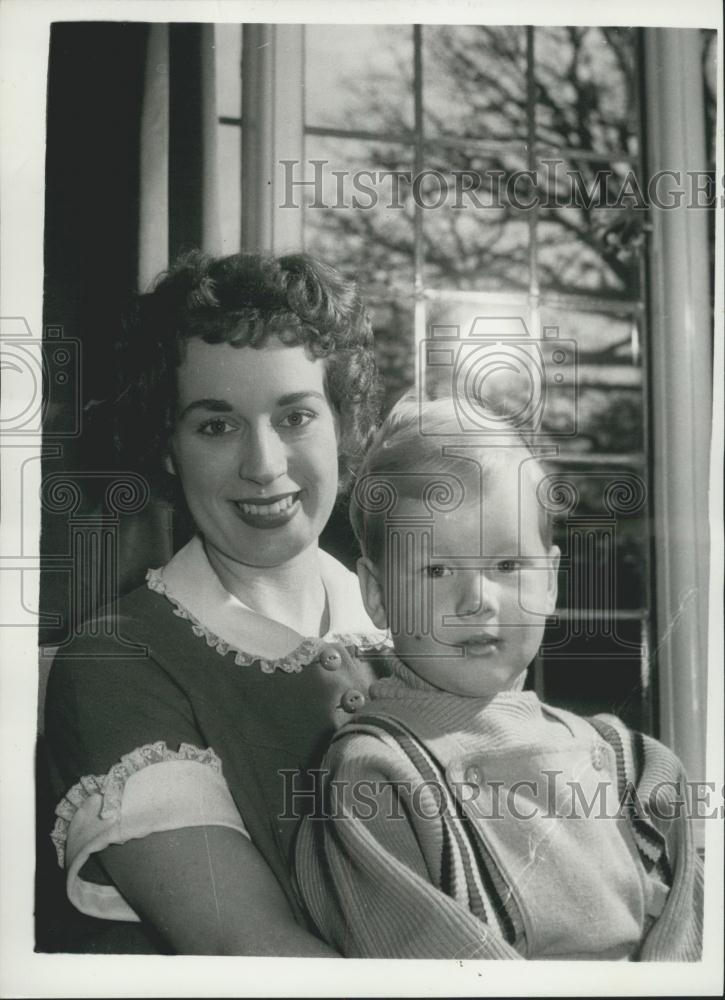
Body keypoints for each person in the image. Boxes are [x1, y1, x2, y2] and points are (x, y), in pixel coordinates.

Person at [43, 251, 392, 955]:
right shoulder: (118, 662)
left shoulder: (421, 623)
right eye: (215, 425)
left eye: (294, 416)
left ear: (342, 427)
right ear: (167, 448)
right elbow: (252, 949)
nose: (263, 465)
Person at [295, 397, 704, 960]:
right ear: (377, 594)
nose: (477, 601)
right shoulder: (377, 775)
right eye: (437, 569)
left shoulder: (636, 767)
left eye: (508, 566)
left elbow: (690, 948)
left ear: (552, 582)